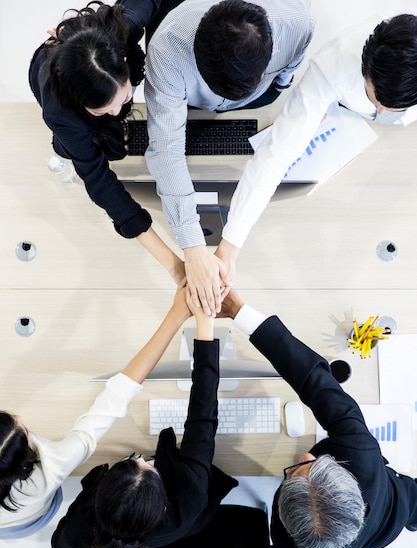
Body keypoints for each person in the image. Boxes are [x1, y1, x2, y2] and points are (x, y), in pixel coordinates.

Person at [219, 289, 417, 548]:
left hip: (373, 532)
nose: (305, 455)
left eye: (295, 472)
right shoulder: (361, 450)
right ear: (351, 480)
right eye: (319, 464)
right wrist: (241, 313)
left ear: (287, 524)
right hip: (400, 503)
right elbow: (314, 377)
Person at [144, 0, 315, 316]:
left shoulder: (298, 22)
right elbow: (166, 150)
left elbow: (286, 76)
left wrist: (276, 85)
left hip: (260, 95)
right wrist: (193, 249)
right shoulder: (166, 49)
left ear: (272, 46)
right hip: (187, 92)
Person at [217, 13, 417, 280]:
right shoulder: (332, 66)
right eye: (374, 99)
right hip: (350, 123)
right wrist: (230, 245)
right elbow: (276, 155)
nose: (380, 112)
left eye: (390, 107)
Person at [50, 289, 237, 548]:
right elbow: (203, 414)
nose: (140, 458)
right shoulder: (191, 495)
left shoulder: (83, 530)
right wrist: (205, 321)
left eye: (130, 463)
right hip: (193, 521)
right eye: (148, 467)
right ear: (163, 505)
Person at [0, 283, 195, 539]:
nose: (19, 417)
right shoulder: (50, 469)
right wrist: (176, 315)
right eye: (22, 431)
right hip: (19, 521)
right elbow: (115, 397)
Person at [29, 0, 184, 285]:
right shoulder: (59, 111)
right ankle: (76, 136)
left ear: (124, 60)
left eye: (123, 99)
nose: (115, 112)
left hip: (100, 53)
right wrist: (173, 266)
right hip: (60, 89)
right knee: (81, 148)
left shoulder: (124, 25)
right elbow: (100, 182)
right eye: (102, 110)